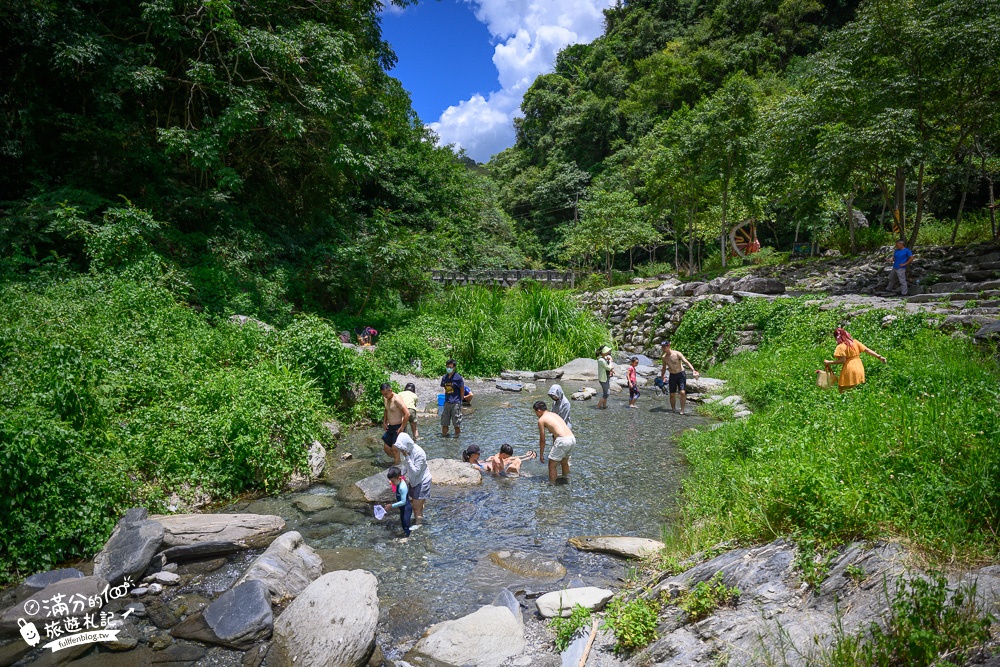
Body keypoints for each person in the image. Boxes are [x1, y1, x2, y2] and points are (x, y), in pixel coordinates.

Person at [824, 327, 886, 393]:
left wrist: (829, 362)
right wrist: (879, 357)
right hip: (859, 367)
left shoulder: (841, 346)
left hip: (850, 369)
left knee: (842, 390)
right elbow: (867, 350)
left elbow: (843, 360)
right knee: (854, 390)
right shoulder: (855, 342)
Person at [393, 433, 432, 524]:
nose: (401, 450)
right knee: (417, 504)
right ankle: (420, 515)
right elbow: (407, 466)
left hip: (422, 481)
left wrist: (407, 457)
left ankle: (418, 526)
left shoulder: (419, 453)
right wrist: (399, 475)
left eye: (402, 448)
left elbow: (416, 471)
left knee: (415, 507)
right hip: (413, 481)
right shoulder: (407, 451)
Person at [534, 401, 576, 483]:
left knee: (552, 465)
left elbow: (542, 440)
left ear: (539, 410)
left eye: (535, 412)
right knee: (564, 462)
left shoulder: (541, 420)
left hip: (562, 440)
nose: (536, 415)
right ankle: (566, 480)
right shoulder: (554, 414)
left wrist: (541, 454)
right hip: (571, 438)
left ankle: (552, 485)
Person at [659, 341, 699, 415]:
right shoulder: (664, 357)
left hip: (681, 374)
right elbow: (664, 367)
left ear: (669, 346)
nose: (663, 349)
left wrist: (693, 370)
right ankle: (673, 410)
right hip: (672, 375)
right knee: (672, 394)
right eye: (662, 347)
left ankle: (682, 410)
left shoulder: (677, 354)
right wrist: (662, 376)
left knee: (682, 392)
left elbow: (686, 361)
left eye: (664, 347)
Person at [381, 382, 410, 464]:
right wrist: (384, 422)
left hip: (398, 427)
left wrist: (402, 427)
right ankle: (399, 460)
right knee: (386, 448)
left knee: (394, 449)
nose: (384, 396)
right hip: (390, 427)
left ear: (391, 390)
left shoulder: (397, 399)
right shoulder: (385, 398)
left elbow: (407, 414)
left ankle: (397, 468)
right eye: (383, 394)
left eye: (386, 394)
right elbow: (386, 410)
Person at [382, 466, 412, 538]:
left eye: (392, 481)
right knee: (402, 522)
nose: (391, 483)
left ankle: (407, 537)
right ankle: (406, 533)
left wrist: (391, 505)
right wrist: (393, 481)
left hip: (406, 508)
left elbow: (403, 502)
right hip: (402, 508)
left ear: (398, 478)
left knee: (405, 524)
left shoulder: (402, 487)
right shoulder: (398, 480)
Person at [441, 359, 465, 437]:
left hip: (455, 403)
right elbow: (445, 388)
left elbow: (462, 389)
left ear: (454, 367)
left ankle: (456, 439)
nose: (448, 368)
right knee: (444, 422)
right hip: (447, 402)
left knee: (456, 423)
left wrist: (460, 400)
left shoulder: (458, 378)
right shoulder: (445, 377)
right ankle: (444, 438)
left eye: (450, 367)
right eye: (447, 366)